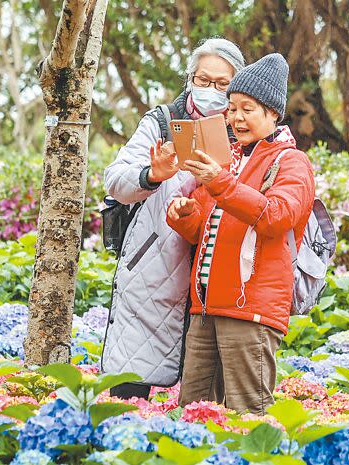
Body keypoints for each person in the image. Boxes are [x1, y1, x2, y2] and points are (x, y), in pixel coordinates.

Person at [166, 53, 315, 414]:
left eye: (247, 109)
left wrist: (219, 181)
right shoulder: (229, 159)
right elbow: (202, 224)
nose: (235, 118)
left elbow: (277, 217)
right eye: (232, 109)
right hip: (205, 308)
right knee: (194, 413)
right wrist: (183, 214)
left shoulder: (292, 162)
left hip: (252, 311)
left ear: (273, 113)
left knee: (248, 414)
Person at [101, 38, 245, 399]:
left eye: (222, 84)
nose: (211, 90)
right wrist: (153, 173)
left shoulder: (245, 132)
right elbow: (116, 180)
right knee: (131, 385)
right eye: (203, 79)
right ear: (190, 78)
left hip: (214, 275)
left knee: (204, 404)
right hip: (152, 270)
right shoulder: (162, 122)